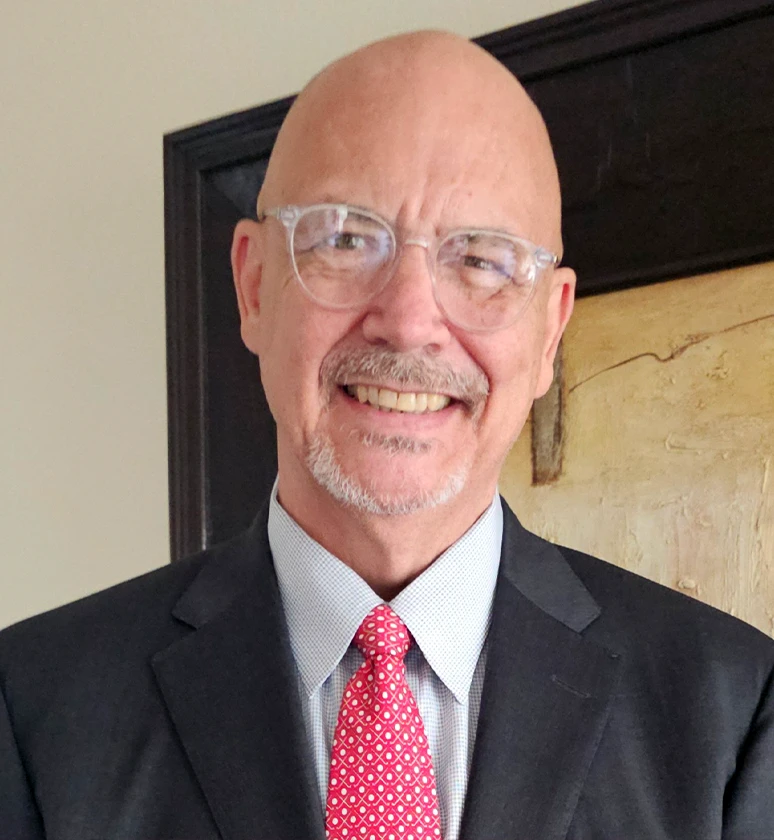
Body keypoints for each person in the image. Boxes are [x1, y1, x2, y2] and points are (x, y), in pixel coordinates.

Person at [1, 30, 772, 840]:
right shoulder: (35, 711)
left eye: (481, 259)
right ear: (254, 286)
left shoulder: (733, 715)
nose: (408, 322)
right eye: (344, 238)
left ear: (550, 330)